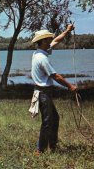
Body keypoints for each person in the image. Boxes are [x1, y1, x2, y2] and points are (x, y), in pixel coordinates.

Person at [30, 24, 77, 154]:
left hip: (44, 93)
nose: (51, 39)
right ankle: (40, 150)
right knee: (47, 121)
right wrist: (70, 86)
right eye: (48, 38)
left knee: (54, 119)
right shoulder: (42, 58)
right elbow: (55, 76)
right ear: (43, 41)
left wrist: (67, 31)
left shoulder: (39, 52)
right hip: (43, 93)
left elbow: (57, 40)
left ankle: (52, 146)